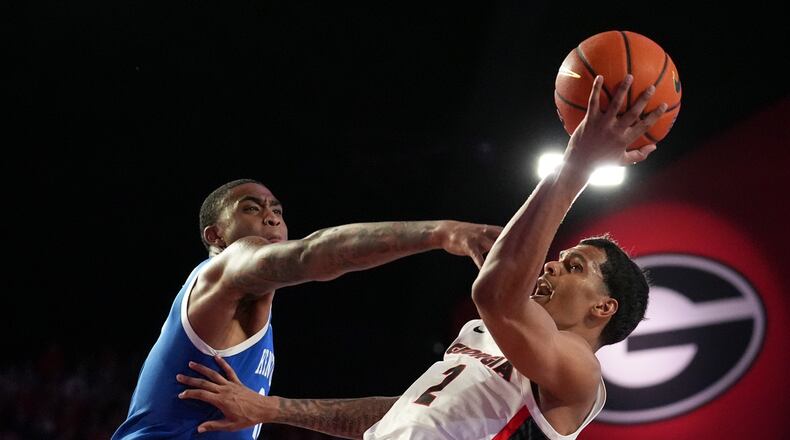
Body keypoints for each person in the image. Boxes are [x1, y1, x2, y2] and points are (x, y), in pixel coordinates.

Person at [176, 74, 664, 439]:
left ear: (603, 308)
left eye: (576, 266)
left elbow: (495, 293)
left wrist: (577, 163)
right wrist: (274, 409)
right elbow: (406, 410)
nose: (554, 263)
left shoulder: (579, 374)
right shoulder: (483, 336)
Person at [111, 178, 503, 439]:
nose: (271, 215)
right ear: (216, 235)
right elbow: (314, 253)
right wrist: (441, 232)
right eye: (251, 208)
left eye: (277, 210)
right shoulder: (223, 270)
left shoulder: (247, 313)